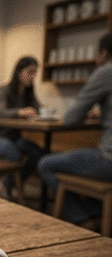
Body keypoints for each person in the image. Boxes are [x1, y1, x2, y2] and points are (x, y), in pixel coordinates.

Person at [38, 32, 112, 227]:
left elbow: (70, 118)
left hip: (109, 162)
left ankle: (83, 217)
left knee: (45, 163)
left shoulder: (106, 72)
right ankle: (97, 213)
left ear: (103, 54)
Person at [0, 56, 45, 199]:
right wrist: (20, 112)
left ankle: (8, 184)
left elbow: (38, 109)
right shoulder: (4, 90)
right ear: (19, 72)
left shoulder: (29, 93)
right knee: (14, 153)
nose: (33, 76)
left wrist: (45, 111)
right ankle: (8, 185)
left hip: (15, 138)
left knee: (39, 154)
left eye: (35, 72)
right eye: (30, 72)